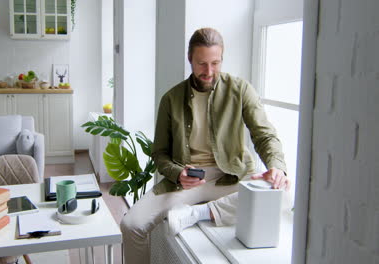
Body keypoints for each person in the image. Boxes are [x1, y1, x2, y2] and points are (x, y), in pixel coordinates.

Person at [120, 27, 290, 264]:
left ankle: (199, 213)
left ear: (222, 59)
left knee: (282, 195)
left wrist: (277, 167)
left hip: (231, 176)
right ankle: (206, 209)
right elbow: (159, 154)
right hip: (188, 181)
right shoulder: (171, 99)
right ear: (190, 59)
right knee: (131, 225)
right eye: (201, 63)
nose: (209, 71)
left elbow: (265, 135)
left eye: (215, 63)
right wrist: (178, 174)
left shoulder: (240, 90)